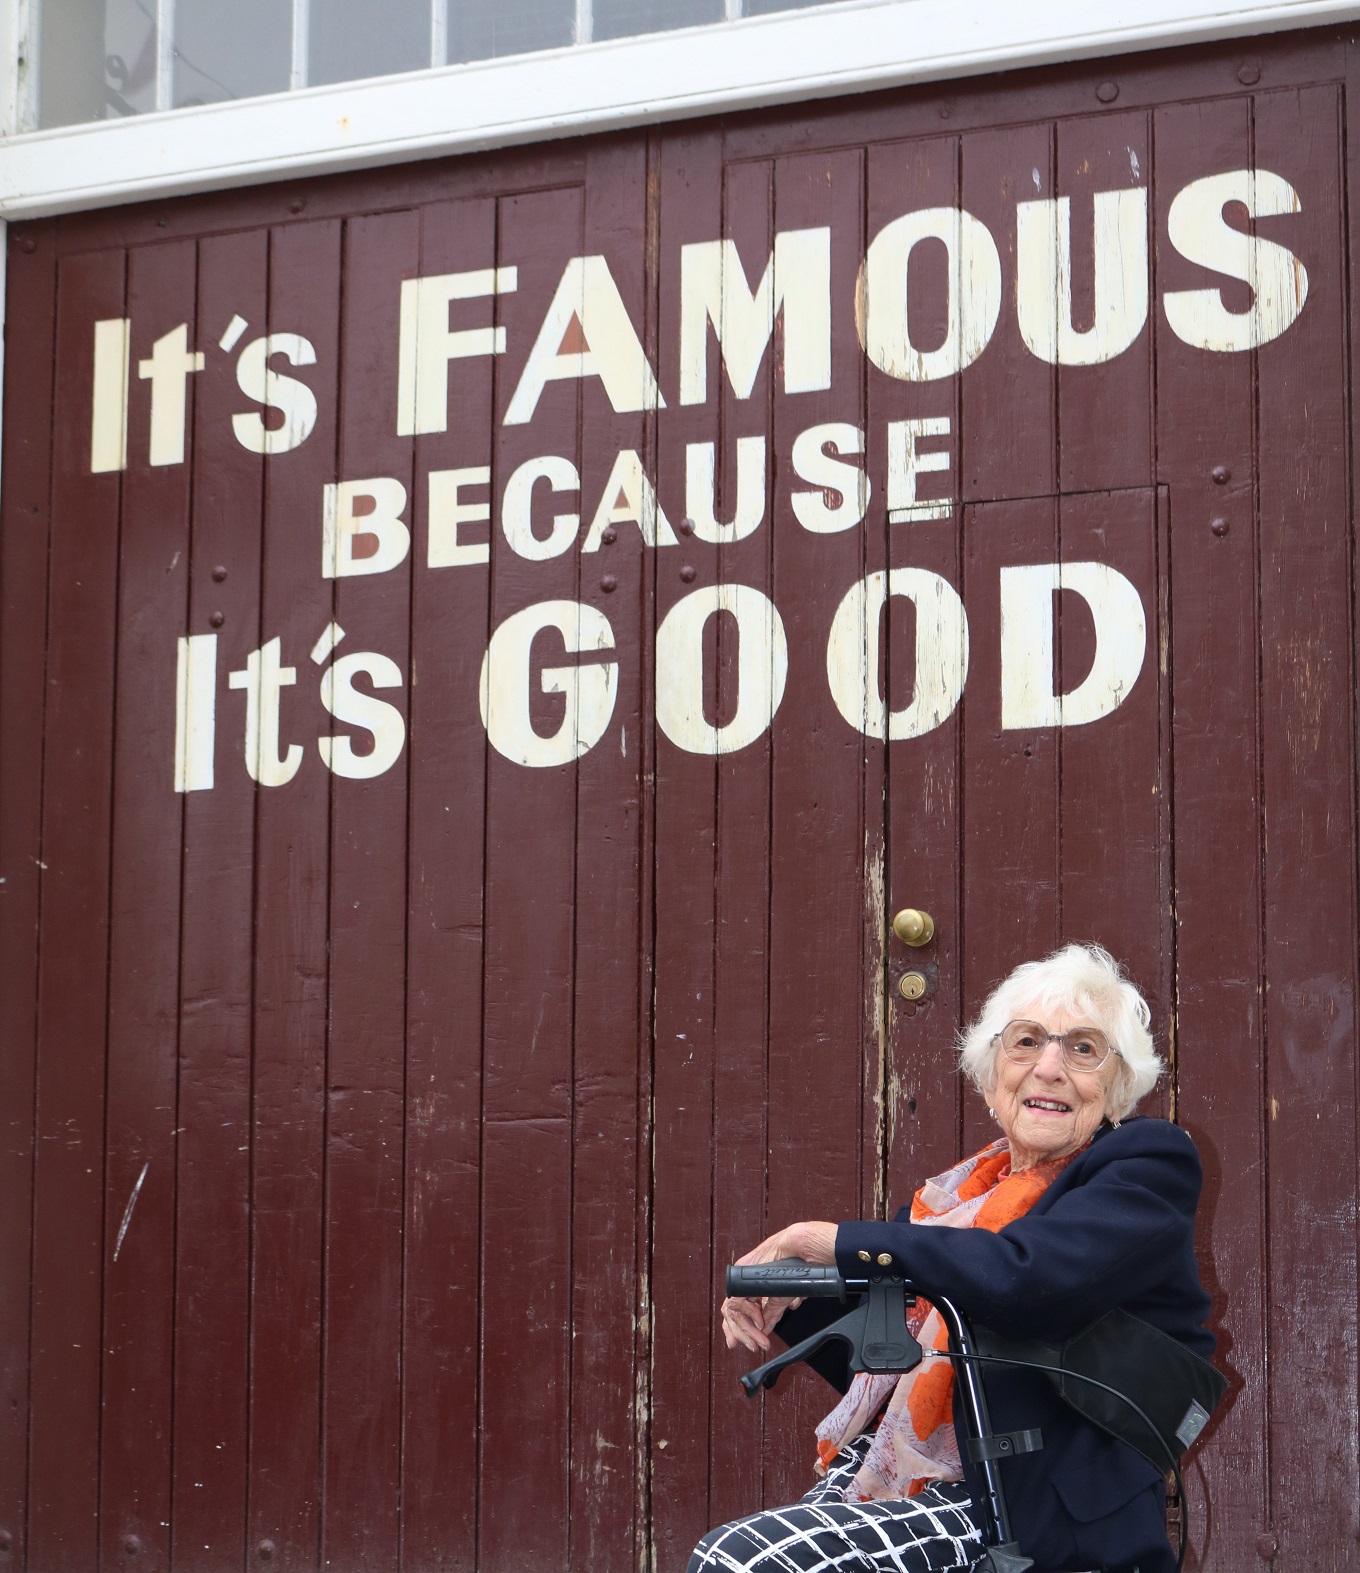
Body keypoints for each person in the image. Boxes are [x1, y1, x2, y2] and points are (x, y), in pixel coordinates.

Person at [694, 943, 1214, 1573]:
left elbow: (1026, 1277)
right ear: (992, 1076)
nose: (1049, 1068)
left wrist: (826, 1238)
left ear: (1118, 1085)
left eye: (1082, 1049)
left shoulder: (1144, 1167)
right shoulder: (954, 1205)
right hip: (909, 1488)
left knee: (744, 1561)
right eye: (1026, 1042)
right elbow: (896, 1365)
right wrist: (790, 1300)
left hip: (1021, 1509)